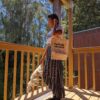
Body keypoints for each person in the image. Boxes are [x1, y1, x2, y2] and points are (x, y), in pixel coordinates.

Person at [41, 14, 65, 100]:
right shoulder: (50, 31)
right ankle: (55, 93)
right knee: (47, 73)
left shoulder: (59, 28)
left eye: (49, 20)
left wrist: (55, 25)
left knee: (56, 74)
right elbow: (48, 44)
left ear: (54, 20)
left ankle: (57, 95)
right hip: (49, 53)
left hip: (56, 52)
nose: (48, 22)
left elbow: (55, 36)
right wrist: (43, 56)